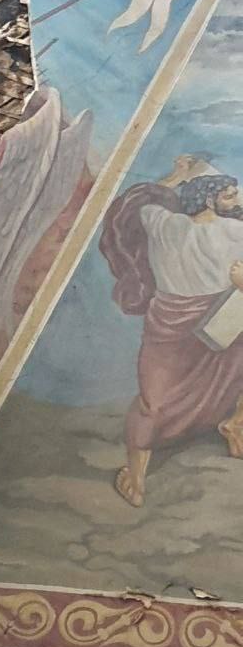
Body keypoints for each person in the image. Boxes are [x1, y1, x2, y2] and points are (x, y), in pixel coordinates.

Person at [100, 158, 243, 507]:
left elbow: (136, 205)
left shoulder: (160, 222)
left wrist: (176, 176)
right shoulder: (233, 232)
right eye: (229, 195)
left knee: (156, 400)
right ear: (208, 198)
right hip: (186, 325)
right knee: (158, 399)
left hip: (199, 318)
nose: (237, 200)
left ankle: (235, 424)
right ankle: (138, 473)